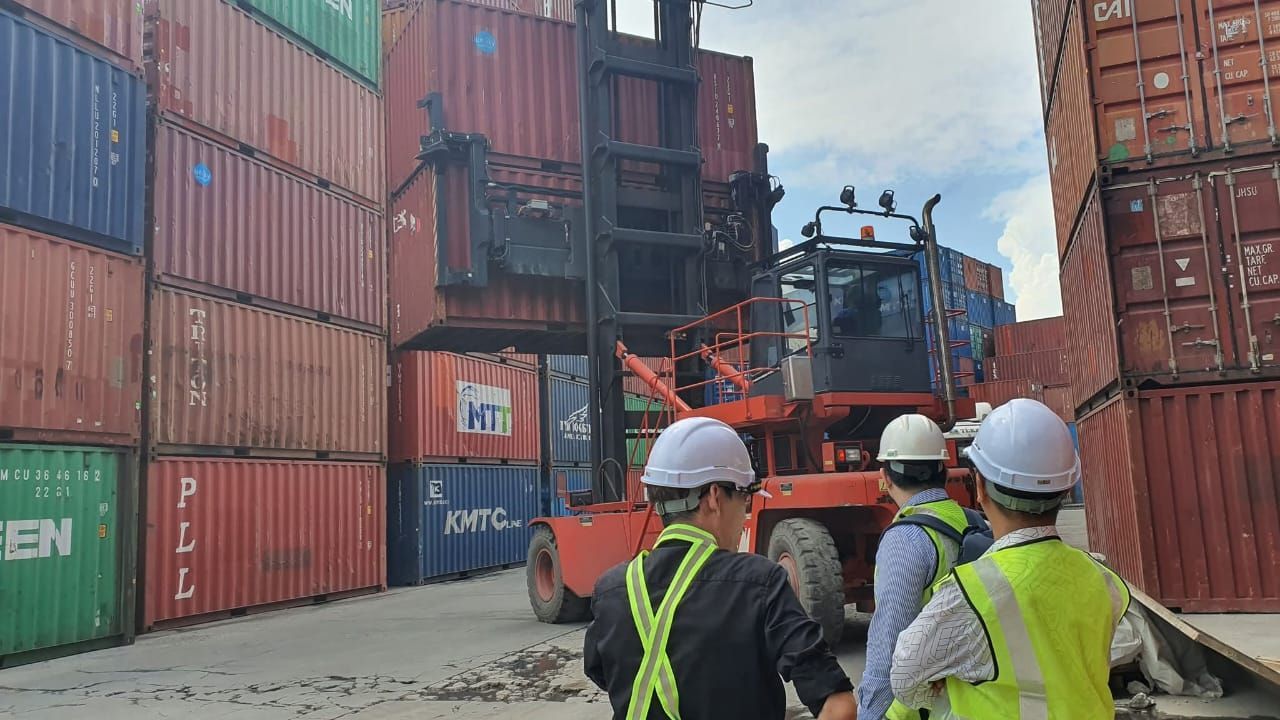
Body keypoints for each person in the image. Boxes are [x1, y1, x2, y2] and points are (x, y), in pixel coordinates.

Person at [584, 416, 858, 720]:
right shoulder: (760, 583)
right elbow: (839, 706)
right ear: (714, 497)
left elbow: (604, 672)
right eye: (745, 498)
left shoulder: (610, 591)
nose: (745, 515)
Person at [890, 399, 1130, 718]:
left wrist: (942, 685)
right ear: (1067, 489)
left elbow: (905, 679)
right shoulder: (1101, 578)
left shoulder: (970, 594)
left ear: (980, 488)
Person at [858, 414, 969, 720]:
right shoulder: (973, 521)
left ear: (886, 476)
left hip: (929, 707)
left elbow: (888, 644)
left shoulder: (905, 539)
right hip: (978, 697)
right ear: (943, 470)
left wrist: (869, 714)